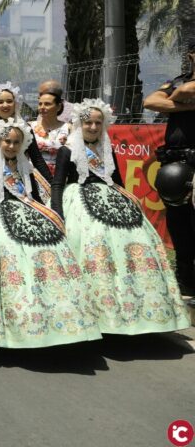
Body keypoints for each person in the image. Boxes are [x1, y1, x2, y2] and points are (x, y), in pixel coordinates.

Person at [51, 99, 189, 334]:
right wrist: (57, 214)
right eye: (88, 122)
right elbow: (57, 184)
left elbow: (117, 182)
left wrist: (129, 202)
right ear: (80, 123)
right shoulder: (67, 150)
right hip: (79, 203)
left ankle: (137, 307)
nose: (93, 127)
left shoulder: (108, 148)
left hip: (112, 201)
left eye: (98, 123)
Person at [0, 119, 100, 348]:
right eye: (7, 141)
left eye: (16, 142)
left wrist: (49, 216)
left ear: (23, 144)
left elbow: (35, 198)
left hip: (28, 212)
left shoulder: (26, 167)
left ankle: (52, 312)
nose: (11, 146)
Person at [142, 41, 195, 295]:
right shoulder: (176, 81)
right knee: (179, 225)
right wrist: (187, 104)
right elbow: (151, 101)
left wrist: (177, 96)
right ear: (191, 55)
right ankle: (186, 281)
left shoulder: (180, 84)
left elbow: (187, 89)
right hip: (174, 164)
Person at [0, 82, 53, 194]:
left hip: (24, 183)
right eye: (0, 102)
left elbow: (37, 160)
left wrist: (53, 185)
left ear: (15, 103)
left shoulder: (25, 128)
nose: (5, 105)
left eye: (9, 101)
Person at [30, 83, 69, 176]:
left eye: (47, 104)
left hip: (60, 177)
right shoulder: (29, 127)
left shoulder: (69, 128)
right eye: (40, 104)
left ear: (58, 107)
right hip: (34, 177)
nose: (42, 107)